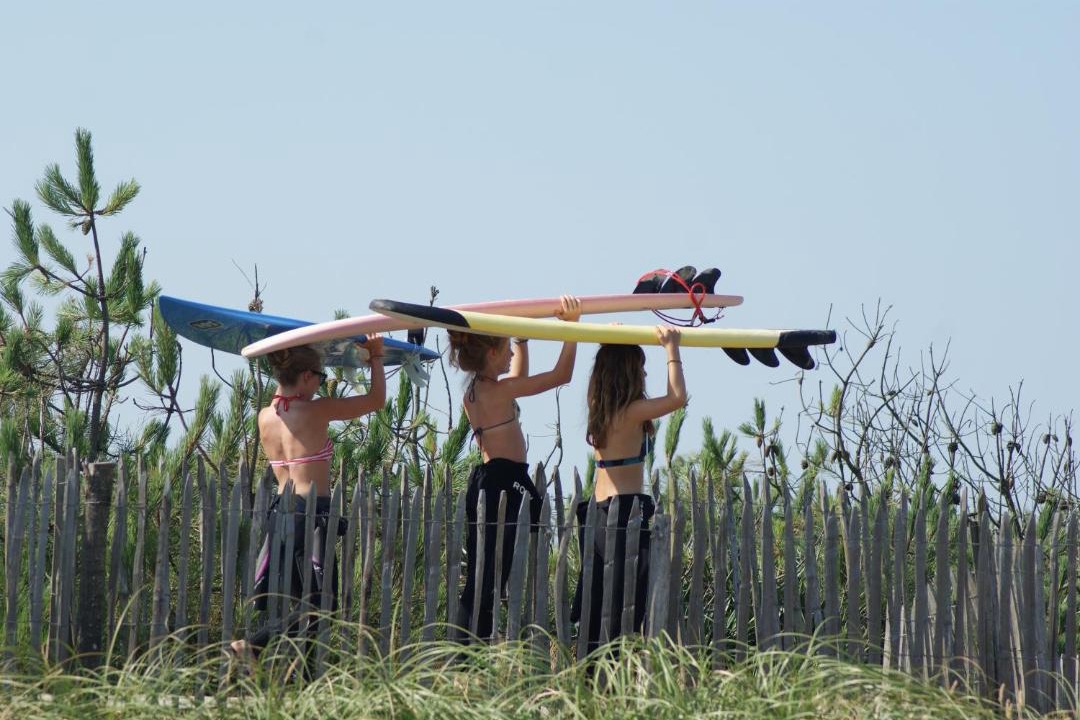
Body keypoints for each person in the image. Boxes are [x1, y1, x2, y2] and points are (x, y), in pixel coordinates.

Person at [230, 337, 386, 663]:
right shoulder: (316, 411)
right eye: (321, 377)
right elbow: (376, 399)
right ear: (305, 377)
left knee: (305, 606)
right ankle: (253, 646)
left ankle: (300, 682)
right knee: (322, 605)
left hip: (281, 515)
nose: (321, 384)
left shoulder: (264, 417)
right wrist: (376, 357)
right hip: (311, 514)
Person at [450, 295, 582, 641]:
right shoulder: (498, 390)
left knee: (484, 573)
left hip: (491, 479)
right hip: (504, 480)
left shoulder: (478, 391)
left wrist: (522, 336)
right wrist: (573, 329)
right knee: (489, 575)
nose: (511, 355)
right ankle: (469, 646)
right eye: (507, 348)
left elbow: (517, 374)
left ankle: (469, 645)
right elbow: (560, 375)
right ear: (491, 354)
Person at [572, 327, 686, 653]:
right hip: (623, 514)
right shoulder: (632, 412)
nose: (645, 373)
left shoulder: (598, 407)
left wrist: (613, 340)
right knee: (626, 601)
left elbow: (603, 370)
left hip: (595, 516)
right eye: (640, 367)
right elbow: (678, 397)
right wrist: (671, 349)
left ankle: (593, 667)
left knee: (598, 599)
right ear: (629, 373)